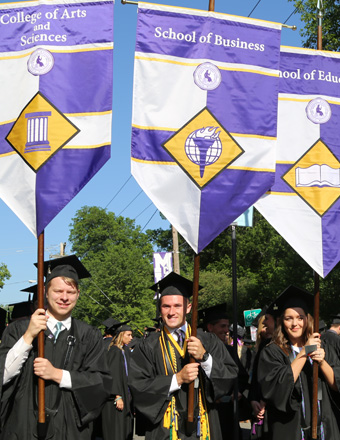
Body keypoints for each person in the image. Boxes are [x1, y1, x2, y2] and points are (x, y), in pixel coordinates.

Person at [0, 255, 112, 440]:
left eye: (71, 292)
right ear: (45, 292)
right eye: (58, 291)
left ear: (78, 294)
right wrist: (29, 337)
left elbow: (101, 383)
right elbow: (3, 375)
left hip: (70, 431)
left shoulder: (89, 335)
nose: (64, 298)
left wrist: (57, 375)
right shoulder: (18, 330)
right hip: (23, 428)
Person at [128, 272, 238, 440]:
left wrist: (205, 358)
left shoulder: (208, 340)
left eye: (177, 306)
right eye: (166, 306)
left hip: (205, 425)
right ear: (160, 309)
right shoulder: (148, 345)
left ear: (188, 307)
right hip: (165, 429)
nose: (171, 312)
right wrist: (177, 379)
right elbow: (138, 386)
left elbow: (230, 377)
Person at [258, 285, 340, 440]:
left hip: (325, 429)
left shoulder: (324, 347)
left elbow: (336, 385)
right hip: (291, 429)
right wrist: (305, 352)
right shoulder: (272, 352)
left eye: (300, 317)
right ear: (282, 321)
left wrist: (321, 361)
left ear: (307, 319)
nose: (295, 323)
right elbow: (276, 389)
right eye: (289, 318)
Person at [102, 321, 134, 440]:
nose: (131, 338)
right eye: (128, 335)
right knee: (116, 429)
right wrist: (117, 396)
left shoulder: (123, 351)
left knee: (124, 428)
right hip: (117, 397)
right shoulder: (114, 351)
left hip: (125, 394)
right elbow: (112, 374)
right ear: (121, 335)